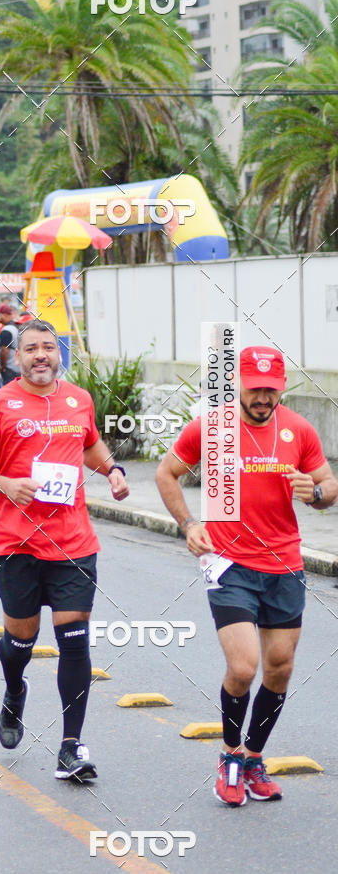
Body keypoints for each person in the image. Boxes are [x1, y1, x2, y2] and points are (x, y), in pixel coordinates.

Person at [155, 345, 338, 807]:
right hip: (229, 563)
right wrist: (189, 524)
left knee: (280, 667)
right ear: (238, 383)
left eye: (270, 390)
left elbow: (329, 486)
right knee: (243, 667)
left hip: (284, 564)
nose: (262, 398)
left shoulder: (298, 429)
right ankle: (230, 755)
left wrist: (316, 493)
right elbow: (166, 473)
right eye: (254, 388)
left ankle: (254, 759)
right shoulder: (212, 428)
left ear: (282, 388)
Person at [0, 320, 129, 781]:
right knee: (21, 639)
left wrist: (113, 470)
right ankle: (15, 690)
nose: (40, 355)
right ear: (17, 357)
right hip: (17, 544)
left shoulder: (78, 400)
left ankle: (71, 746)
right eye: (31, 348)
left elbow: (89, 443)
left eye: (48, 347)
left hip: (73, 543)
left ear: (59, 354)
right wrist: (5, 484)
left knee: (74, 639)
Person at [0, 304, 20, 384]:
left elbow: (4, 350)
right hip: (19, 367)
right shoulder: (17, 326)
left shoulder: (7, 330)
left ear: (4, 315)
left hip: (10, 368)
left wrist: (2, 366)